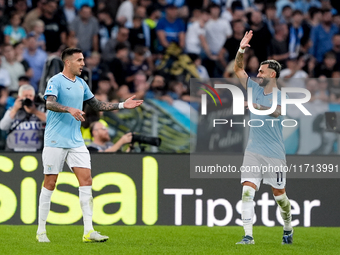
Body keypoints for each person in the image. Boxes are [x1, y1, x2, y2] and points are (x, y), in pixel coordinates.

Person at [36, 48, 143, 243]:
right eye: (79, 60)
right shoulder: (55, 81)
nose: (83, 63)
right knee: (50, 183)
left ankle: (89, 231)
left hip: (76, 141)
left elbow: (96, 105)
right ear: (68, 62)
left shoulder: (82, 83)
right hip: (55, 140)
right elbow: (49, 104)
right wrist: (69, 108)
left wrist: (121, 105)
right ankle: (41, 231)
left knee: (86, 181)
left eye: (83, 60)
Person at [233, 30, 293, 245]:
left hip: (274, 154)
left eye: (262, 71)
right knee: (247, 191)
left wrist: (256, 106)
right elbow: (238, 68)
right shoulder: (253, 87)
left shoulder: (280, 95)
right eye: (258, 70)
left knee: (280, 197)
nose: (257, 73)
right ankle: (248, 236)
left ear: (272, 75)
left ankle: (288, 227)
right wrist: (241, 49)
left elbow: (276, 112)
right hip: (253, 151)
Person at [0, 84, 46, 151]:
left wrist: (35, 111)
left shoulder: (40, 109)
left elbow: (50, 121)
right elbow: (3, 126)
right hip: (14, 151)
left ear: (34, 97)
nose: (28, 98)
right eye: (25, 96)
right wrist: (15, 109)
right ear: (19, 97)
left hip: (36, 151)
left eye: (30, 96)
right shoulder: (12, 110)